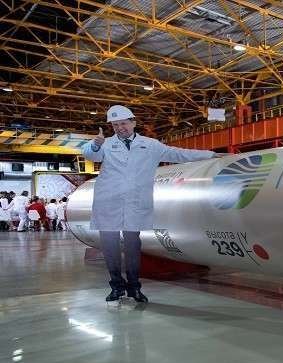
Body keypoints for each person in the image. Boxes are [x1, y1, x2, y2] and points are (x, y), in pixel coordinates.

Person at [81, 105, 227, 303]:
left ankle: (134, 288)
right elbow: (90, 155)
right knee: (110, 246)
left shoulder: (150, 145)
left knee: (133, 246)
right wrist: (94, 145)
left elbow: (178, 154)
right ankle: (116, 286)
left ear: (133, 122)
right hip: (108, 203)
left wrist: (210, 154)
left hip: (134, 202)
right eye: (115, 125)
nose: (120, 128)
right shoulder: (105, 144)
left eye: (123, 123)